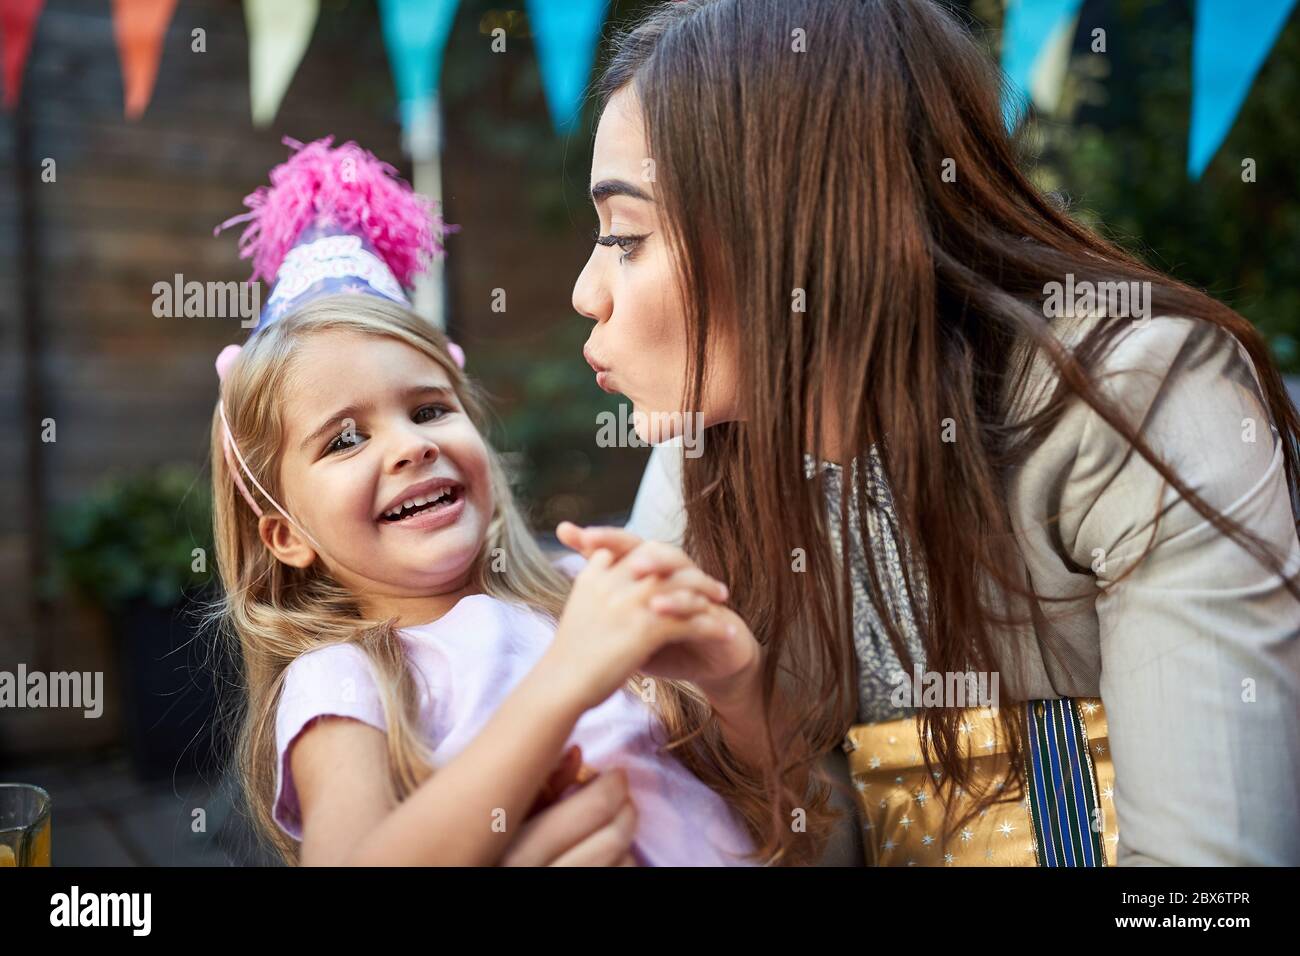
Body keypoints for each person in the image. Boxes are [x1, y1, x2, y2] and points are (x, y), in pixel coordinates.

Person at [564, 0, 1300, 866]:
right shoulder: (703, 456)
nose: (586, 292)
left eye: (627, 236)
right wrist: (742, 702)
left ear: (798, 225)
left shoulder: (1134, 400)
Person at [208, 138, 761, 865]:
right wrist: (565, 679)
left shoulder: (572, 593)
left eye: (430, 409)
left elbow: (761, 794)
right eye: (344, 441)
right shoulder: (348, 678)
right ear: (284, 535)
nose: (409, 446)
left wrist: (736, 684)